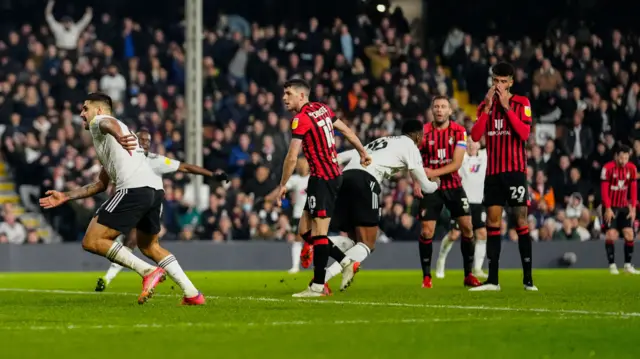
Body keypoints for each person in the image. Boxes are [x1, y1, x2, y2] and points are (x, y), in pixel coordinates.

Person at [39, 93, 205, 305]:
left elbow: (108, 123)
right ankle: (192, 294)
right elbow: (100, 185)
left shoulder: (103, 123)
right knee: (149, 246)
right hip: (153, 192)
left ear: (98, 110)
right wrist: (65, 196)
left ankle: (147, 272)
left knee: (92, 240)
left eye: (85, 108)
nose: (81, 114)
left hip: (133, 189)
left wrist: (118, 135)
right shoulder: (109, 143)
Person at [270, 79, 371, 298]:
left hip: (324, 178)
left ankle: (317, 285)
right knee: (305, 232)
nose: (284, 98)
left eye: (288, 93)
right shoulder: (323, 109)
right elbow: (346, 131)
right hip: (326, 177)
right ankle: (346, 262)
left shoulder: (300, 120)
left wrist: (283, 184)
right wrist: (362, 152)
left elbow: (292, 156)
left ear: (302, 96)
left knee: (320, 233)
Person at [95, 128, 228, 291]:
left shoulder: (155, 160)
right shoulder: (125, 160)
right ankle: (189, 290)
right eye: (141, 140)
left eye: (147, 141)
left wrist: (212, 174)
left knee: (133, 242)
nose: (144, 143)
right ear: (134, 140)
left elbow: (185, 167)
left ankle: (120, 276)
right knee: (140, 245)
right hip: (130, 204)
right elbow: (114, 184)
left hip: (148, 207)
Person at [323, 119, 440, 291]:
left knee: (355, 242)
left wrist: (336, 158)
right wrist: (437, 182)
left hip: (345, 178)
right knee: (368, 244)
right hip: (365, 181)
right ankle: (322, 278)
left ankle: (318, 243)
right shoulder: (411, 147)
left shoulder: (385, 141)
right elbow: (426, 187)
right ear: (417, 135)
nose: (423, 139)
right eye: (422, 135)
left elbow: (354, 153)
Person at [470, 62, 537, 291]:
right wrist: (488, 109)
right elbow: (476, 135)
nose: (498, 85)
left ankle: (528, 279)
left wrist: (507, 108)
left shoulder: (521, 103)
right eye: (495, 81)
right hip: (494, 174)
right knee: (492, 223)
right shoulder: (485, 105)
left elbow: (524, 134)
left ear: (510, 82)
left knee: (520, 222)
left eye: (502, 81)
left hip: (515, 173)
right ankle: (493, 280)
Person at [414, 95, 482, 289]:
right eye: (436, 106)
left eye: (443, 107)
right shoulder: (424, 132)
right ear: (432, 110)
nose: (439, 110)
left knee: (467, 227)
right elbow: (412, 160)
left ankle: (468, 274)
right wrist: (417, 181)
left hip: (453, 186)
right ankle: (426, 277)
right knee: (427, 231)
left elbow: (457, 163)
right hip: (431, 187)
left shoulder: (459, 132)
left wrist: (432, 172)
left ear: (450, 111)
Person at [435, 139, 488, 279]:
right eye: (469, 142)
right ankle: (441, 260)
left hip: (478, 202)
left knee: (482, 233)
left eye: (474, 142)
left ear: (479, 145)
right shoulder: (462, 157)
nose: (471, 145)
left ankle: (477, 269)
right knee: (454, 235)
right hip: (462, 201)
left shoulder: (484, 156)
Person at [600, 145, 639, 275]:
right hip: (610, 206)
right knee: (611, 234)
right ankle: (612, 265)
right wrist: (608, 208)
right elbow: (604, 191)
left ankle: (627, 265)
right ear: (616, 156)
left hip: (623, 206)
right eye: (621, 157)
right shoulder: (607, 168)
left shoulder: (632, 169)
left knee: (629, 234)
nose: (623, 161)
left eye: (626, 158)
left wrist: (633, 208)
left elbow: (633, 190)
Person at [284, 158, 310, 274]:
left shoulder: (313, 178)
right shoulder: (294, 179)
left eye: (302, 163)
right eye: (298, 164)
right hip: (298, 214)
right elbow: (284, 187)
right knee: (298, 239)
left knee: (317, 239)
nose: (300, 166)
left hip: (313, 214)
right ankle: (295, 266)